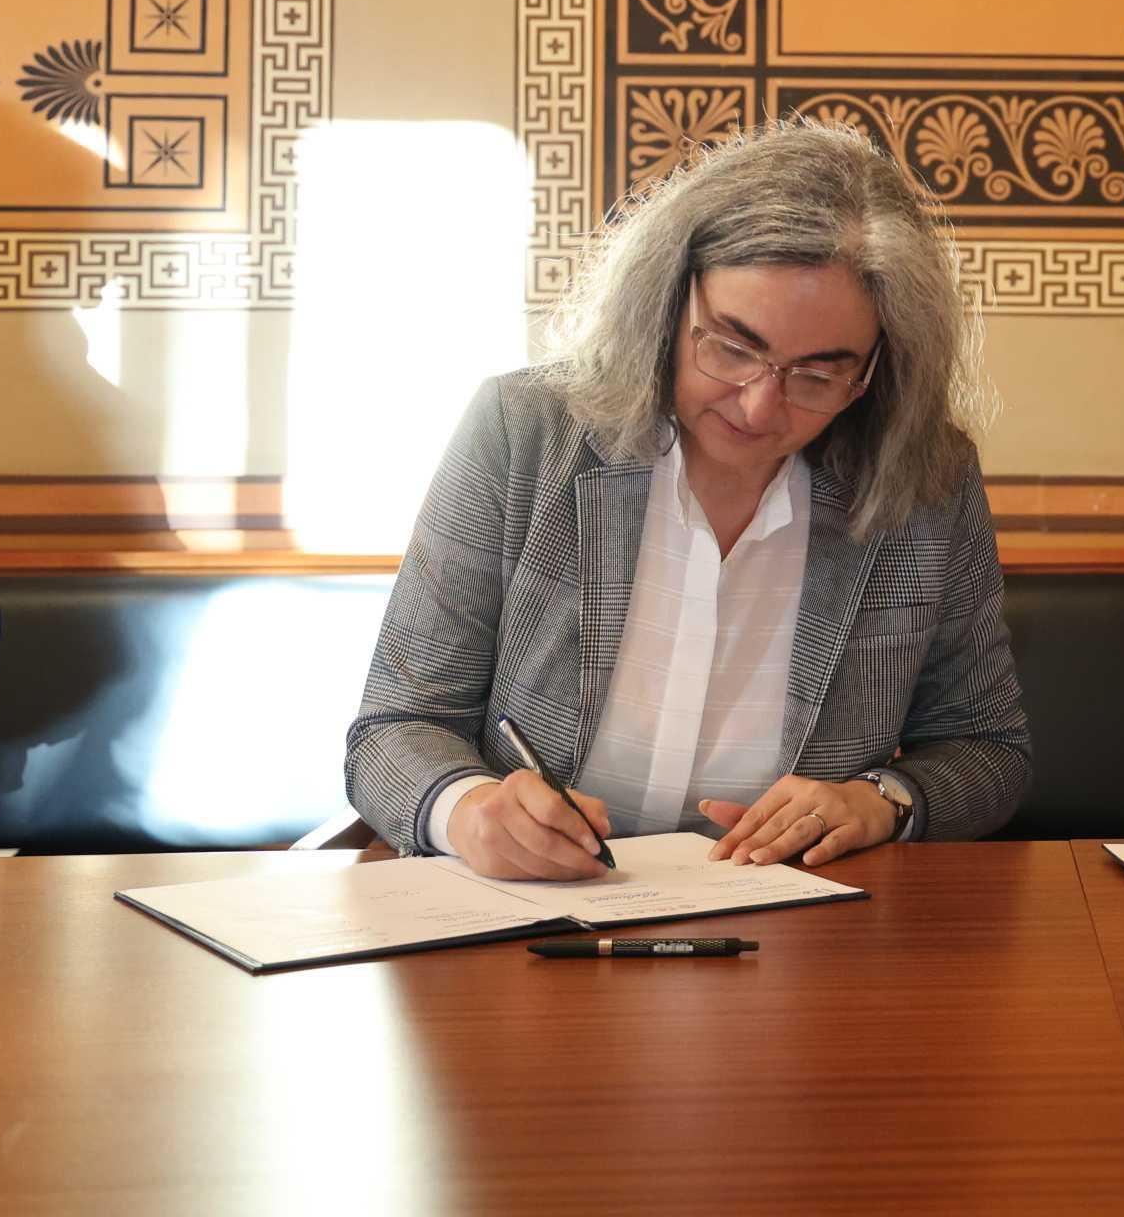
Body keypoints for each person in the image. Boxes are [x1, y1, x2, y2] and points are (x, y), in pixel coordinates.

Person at [345, 123, 1031, 879]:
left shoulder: (924, 483)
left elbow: (988, 749)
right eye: (732, 348)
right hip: (539, 904)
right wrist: (469, 812)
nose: (760, 406)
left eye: (817, 375)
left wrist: (881, 802)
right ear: (668, 304)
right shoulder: (525, 433)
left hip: (793, 912)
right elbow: (395, 728)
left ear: (877, 370)